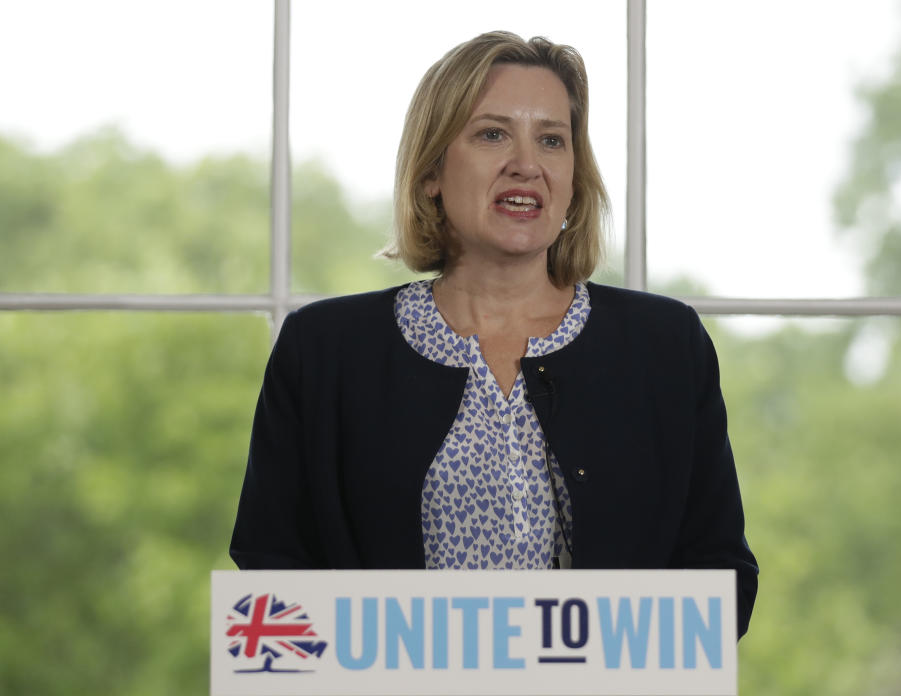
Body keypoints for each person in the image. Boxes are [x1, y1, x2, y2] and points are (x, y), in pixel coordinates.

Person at [230, 30, 758, 638]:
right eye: (492, 134)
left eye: (552, 141)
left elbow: (722, 577)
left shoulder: (666, 346)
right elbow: (270, 583)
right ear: (431, 170)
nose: (527, 165)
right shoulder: (322, 350)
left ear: (573, 177)